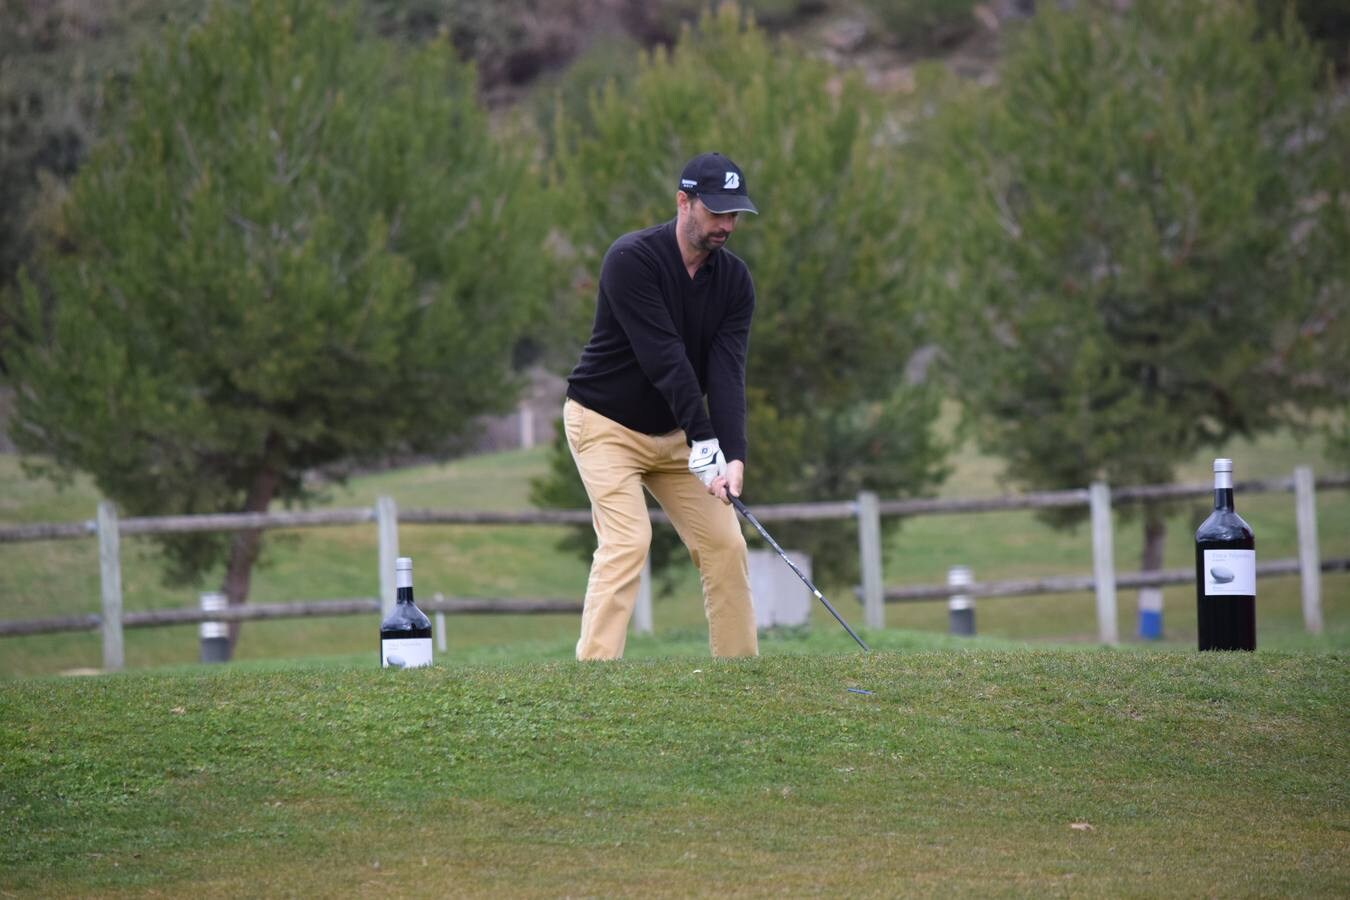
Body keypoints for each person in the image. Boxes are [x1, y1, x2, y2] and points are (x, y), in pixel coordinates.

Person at [563, 151, 760, 661]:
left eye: (733, 214)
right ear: (683, 202)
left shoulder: (734, 283)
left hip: (675, 435)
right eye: (715, 212)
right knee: (629, 540)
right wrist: (705, 441)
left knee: (727, 544)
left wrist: (732, 455)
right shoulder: (632, 260)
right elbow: (666, 361)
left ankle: (740, 677)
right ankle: (595, 675)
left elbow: (726, 374)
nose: (726, 225)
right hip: (605, 423)